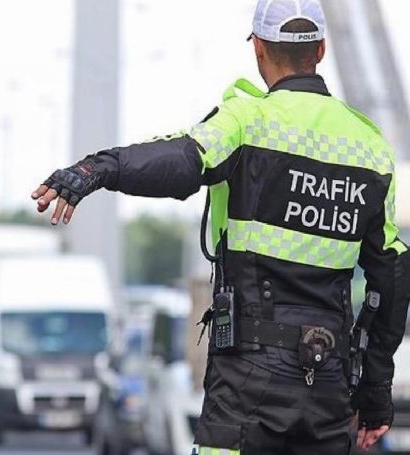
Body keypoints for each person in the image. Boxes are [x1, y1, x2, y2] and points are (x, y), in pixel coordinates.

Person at [31, 0, 410, 453]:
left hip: (248, 383)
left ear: (260, 50)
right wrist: (373, 395)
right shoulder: (370, 148)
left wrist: (97, 169)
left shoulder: (247, 121)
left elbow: (178, 160)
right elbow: (390, 280)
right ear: (322, 50)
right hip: (327, 382)